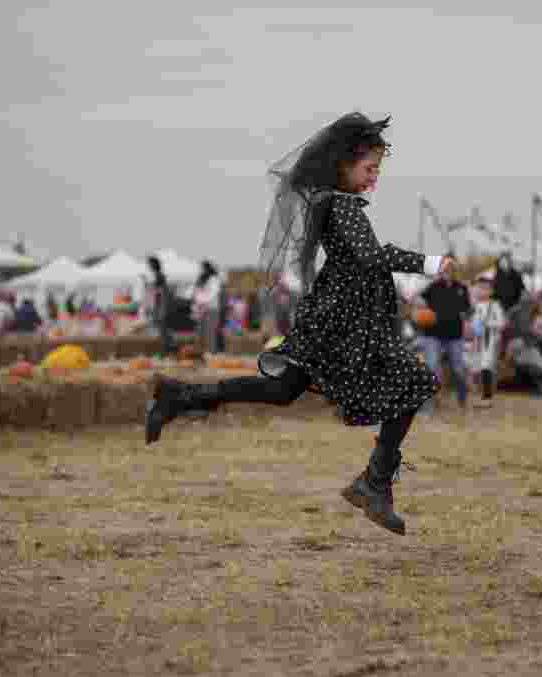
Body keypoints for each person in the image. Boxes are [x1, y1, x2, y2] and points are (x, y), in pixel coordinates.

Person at [144, 112, 452, 535]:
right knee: (413, 382)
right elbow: (371, 256)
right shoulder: (341, 206)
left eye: (378, 168)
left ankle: (179, 395)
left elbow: (363, 258)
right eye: (369, 167)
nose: (375, 176)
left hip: (336, 320)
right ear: (344, 164)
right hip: (341, 325)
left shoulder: (334, 203)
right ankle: (373, 483)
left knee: (281, 388)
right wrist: (427, 262)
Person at [417, 256, 472, 411]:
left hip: (455, 335)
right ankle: (428, 403)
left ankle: (462, 399)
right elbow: (418, 301)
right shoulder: (432, 287)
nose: (447, 271)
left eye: (450, 268)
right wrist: (420, 308)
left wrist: (467, 325)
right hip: (432, 335)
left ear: (454, 271)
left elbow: (467, 311)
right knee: (431, 367)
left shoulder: (462, 288)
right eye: (444, 269)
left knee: (458, 369)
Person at [469, 276, 506, 407]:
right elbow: (474, 322)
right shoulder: (476, 306)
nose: (482, 292)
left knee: (486, 366)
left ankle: (487, 398)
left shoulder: (494, 305)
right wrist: (473, 327)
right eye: (480, 289)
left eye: (485, 289)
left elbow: (502, 323)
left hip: (489, 340)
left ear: (491, 291)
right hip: (478, 340)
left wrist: (488, 324)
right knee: (478, 366)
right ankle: (482, 394)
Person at [506, 291, 542, 397]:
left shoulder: (520, 310)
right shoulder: (523, 310)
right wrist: (539, 336)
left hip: (517, 342)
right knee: (535, 362)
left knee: (534, 358)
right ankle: (537, 388)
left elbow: (526, 330)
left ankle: (531, 385)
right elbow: (524, 330)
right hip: (518, 343)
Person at [146, 256, 177, 355]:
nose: (148, 266)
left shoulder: (159, 276)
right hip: (160, 307)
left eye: (150, 264)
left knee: (164, 331)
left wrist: (160, 310)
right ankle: (168, 350)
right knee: (164, 331)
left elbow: (160, 293)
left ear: (153, 265)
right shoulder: (158, 276)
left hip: (161, 307)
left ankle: (167, 351)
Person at [192, 260, 223, 355]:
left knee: (210, 332)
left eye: (203, 268)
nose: (201, 270)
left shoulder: (214, 279)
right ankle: (200, 352)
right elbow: (195, 292)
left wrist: (201, 301)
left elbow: (213, 294)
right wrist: (197, 302)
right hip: (201, 309)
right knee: (200, 332)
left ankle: (211, 352)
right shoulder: (200, 279)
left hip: (211, 309)